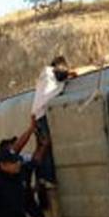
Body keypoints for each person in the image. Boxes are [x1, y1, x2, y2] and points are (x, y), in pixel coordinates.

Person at [30, 55, 77, 184]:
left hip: (37, 114)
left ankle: (41, 177)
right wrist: (72, 73)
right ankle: (48, 177)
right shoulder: (49, 73)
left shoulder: (45, 76)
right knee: (47, 145)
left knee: (42, 146)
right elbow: (63, 74)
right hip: (42, 115)